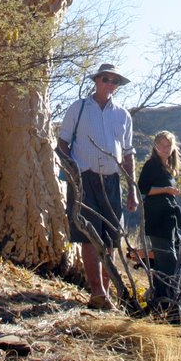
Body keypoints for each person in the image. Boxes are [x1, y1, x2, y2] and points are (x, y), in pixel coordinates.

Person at [57, 62, 138, 310]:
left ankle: (108, 293)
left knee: (112, 240)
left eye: (114, 81)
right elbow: (62, 144)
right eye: (106, 79)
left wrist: (132, 189)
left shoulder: (122, 115)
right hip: (85, 180)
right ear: (96, 81)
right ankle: (97, 293)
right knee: (90, 237)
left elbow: (127, 154)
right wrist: (74, 174)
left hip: (112, 182)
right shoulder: (79, 108)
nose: (110, 84)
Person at [138, 130, 181, 320]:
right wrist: (166, 189)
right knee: (168, 261)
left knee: (170, 260)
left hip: (168, 219)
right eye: (161, 145)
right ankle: (164, 303)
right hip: (157, 218)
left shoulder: (168, 167)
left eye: (168, 146)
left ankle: (166, 302)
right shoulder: (151, 166)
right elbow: (143, 189)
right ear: (155, 146)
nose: (165, 149)